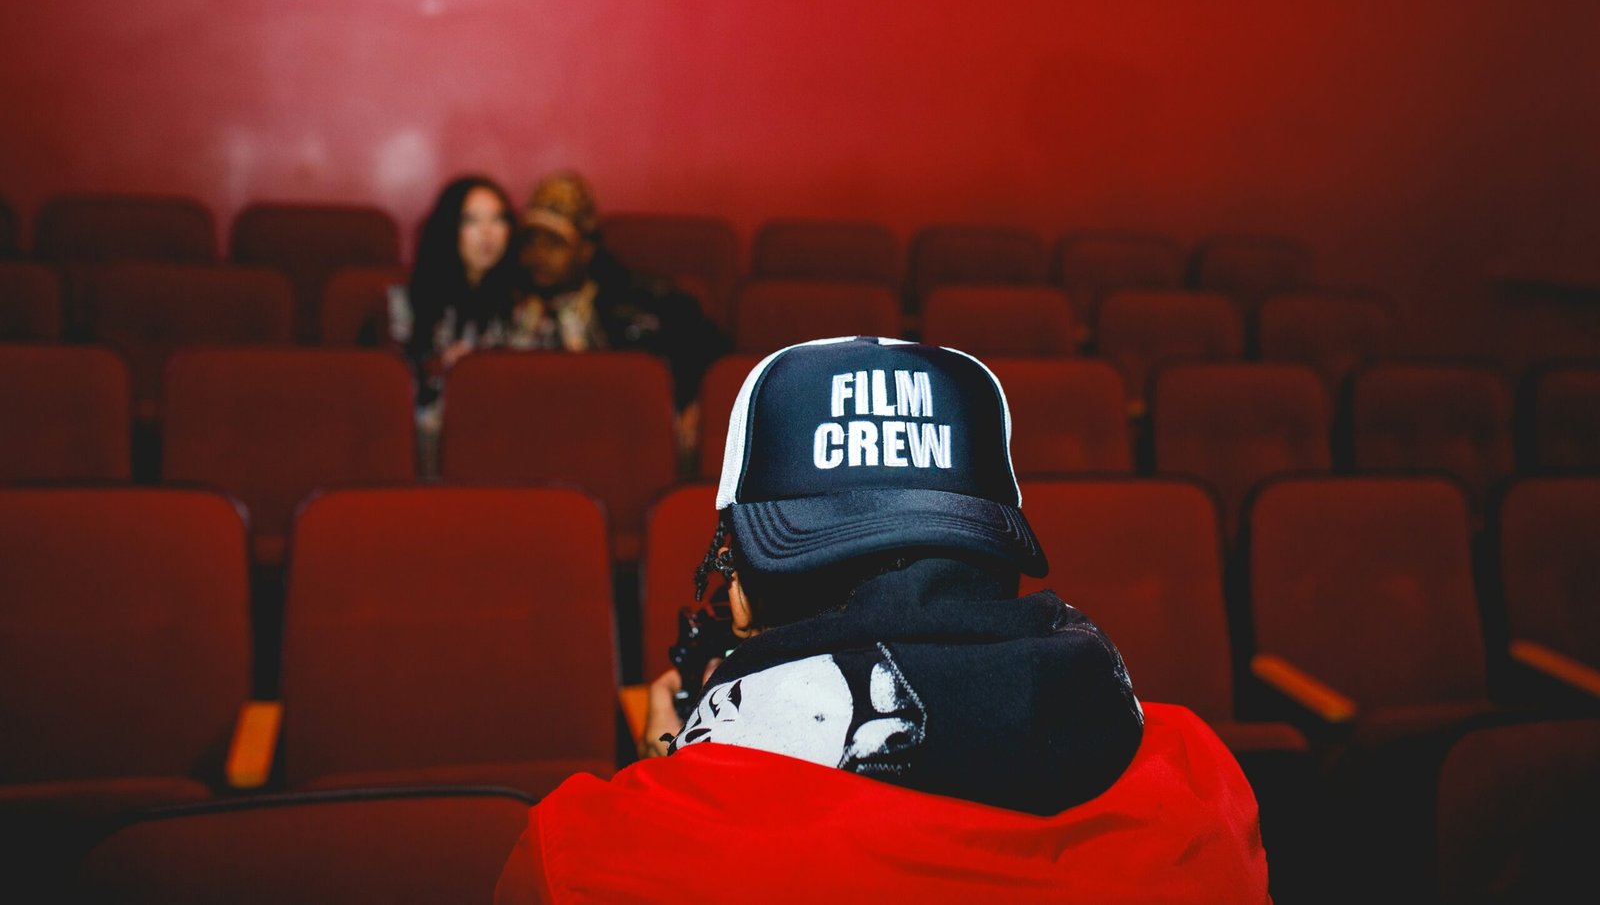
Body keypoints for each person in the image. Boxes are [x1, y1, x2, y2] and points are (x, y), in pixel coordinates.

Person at [495, 336, 1271, 903]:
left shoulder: (587, 854)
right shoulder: (1201, 785)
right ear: (995, 556)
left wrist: (671, 778)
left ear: (739, 596)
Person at [510, 169, 729, 450]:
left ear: (586, 248)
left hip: (622, 440)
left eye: (554, 243)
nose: (538, 254)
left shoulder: (646, 302)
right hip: (532, 438)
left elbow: (716, 362)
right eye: (531, 241)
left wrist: (697, 404)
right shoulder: (510, 304)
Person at [389, 174, 519, 475]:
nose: (487, 232)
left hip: (503, 445)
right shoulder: (405, 303)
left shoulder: (524, 306)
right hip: (426, 450)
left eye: (498, 219)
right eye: (471, 220)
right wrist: (443, 370)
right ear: (450, 228)